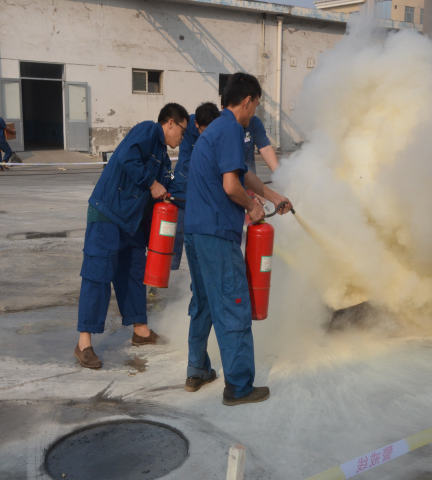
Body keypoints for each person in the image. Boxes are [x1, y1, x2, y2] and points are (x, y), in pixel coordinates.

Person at [183, 72, 293, 406]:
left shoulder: (216, 128)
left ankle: (197, 370)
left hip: (195, 231)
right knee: (233, 303)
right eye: (255, 105)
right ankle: (239, 386)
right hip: (217, 233)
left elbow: (242, 176)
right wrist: (252, 207)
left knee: (204, 302)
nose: (254, 112)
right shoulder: (232, 128)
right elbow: (232, 187)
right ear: (247, 101)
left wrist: (273, 196)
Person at [74, 103, 189, 369]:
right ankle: (83, 343)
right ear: (170, 123)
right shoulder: (148, 130)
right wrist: (152, 183)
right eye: (182, 131)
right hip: (109, 213)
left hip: (132, 223)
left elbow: (170, 190)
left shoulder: (163, 158)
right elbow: (126, 156)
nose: (182, 138)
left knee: (134, 274)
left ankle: (141, 331)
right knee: (97, 275)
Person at [167, 102, 221, 271]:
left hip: (205, 186)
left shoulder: (219, 128)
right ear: (197, 124)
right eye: (204, 131)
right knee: (177, 229)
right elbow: (188, 162)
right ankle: (168, 270)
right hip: (183, 182)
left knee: (201, 232)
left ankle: (200, 272)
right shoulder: (187, 127)